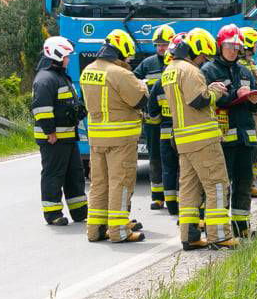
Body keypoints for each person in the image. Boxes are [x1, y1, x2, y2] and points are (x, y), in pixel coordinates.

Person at [163, 28, 237, 250]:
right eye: (203, 56)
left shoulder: (170, 70)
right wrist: (215, 91)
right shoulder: (190, 71)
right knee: (217, 185)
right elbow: (198, 100)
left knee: (189, 189)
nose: (203, 60)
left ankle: (190, 236)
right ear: (194, 51)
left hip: (184, 140)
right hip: (203, 139)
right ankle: (220, 236)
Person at [80, 29, 148, 243]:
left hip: (97, 138)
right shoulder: (120, 74)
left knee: (99, 183)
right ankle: (119, 231)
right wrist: (144, 87)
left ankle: (95, 229)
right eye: (128, 56)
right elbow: (139, 100)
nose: (128, 60)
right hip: (121, 138)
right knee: (121, 182)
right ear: (121, 51)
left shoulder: (87, 71)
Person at [203, 25, 257, 238]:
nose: (233, 50)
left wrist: (256, 100)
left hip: (245, 138)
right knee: (221, 186)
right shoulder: (209, 71)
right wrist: (233, 96)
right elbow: (207, 103)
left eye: (237, 46)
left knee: (244, 183)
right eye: (229, 45)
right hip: (222, 139)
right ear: (220, 46)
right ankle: (218, 229)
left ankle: (241, 227)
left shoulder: (245, 71)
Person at [31, 36, 87, 226]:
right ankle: (53, 214)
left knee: (74, 174)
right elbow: (41, 108)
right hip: (54, 139)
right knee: (54, 175)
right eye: (66, 56)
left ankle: (79, 211)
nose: (68, 60)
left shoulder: (60, 76)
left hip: (68, 137)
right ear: (57, 55)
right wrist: (50, 132)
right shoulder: (45, 79)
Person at [133, 24, 175, 210]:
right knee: (155, 158)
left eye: (164, 45)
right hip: (151, 121)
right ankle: (157, 197)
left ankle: (173, 195)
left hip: (171, 120)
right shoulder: (148, 63)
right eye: (158, 45)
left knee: (173, 160)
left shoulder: (175, 63)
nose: (161, 48)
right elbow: (132, 81)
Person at [146, 33, 187, 216]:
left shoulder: (160, 82)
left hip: (164, 132)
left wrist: (157, 122)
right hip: (184, 131)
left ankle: (171, 205)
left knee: (168, 168)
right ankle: (185, 203)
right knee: (184, 169)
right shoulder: (187, 78)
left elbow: (151, 109)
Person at [238, 26, 257, 198]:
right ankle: (248, 184)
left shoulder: (250, 64)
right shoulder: (243, 67)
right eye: (255, 43)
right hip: (251, 115)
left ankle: (251, 183)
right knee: (252, 149)